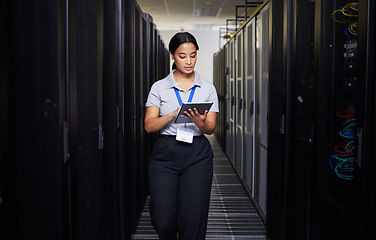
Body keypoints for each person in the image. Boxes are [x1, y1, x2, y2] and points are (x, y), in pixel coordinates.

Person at [144, 32, 219, 240]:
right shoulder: (159, 87)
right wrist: (172, 114)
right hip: (165, 153)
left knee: (193, 219)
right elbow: (149, 125)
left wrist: (198, 122)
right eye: (183, 56)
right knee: (163, 219)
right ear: (172, 55)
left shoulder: (207, 89)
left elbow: (211, 128)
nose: (189, 61)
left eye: (193, 55)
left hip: (197, 154)